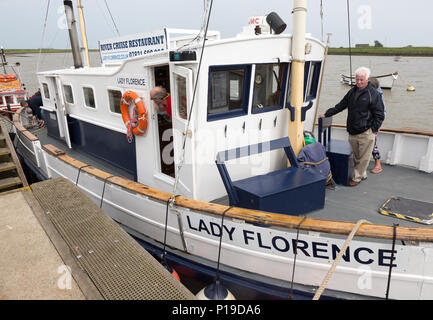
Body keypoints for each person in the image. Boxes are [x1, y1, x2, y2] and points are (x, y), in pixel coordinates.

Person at [318, 67, 385, 186]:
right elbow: (341, 105)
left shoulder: (373, 94)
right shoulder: (352, 92)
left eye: (361, 80)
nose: (358, 82)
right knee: (357, 156)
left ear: (368, 79)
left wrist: (373, 129)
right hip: (352, 131)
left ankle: (357, 177)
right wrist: (327, 113)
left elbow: (379, 114)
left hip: (366, 131)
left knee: (364, 157)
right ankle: (362, 173)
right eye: (357, 79)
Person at [369, 77, 386, 174]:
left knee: (373, 144)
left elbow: (383, 112)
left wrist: (377, 126)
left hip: (373, 123)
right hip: (362, 122)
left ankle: (378, 165)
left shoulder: (378, 95)